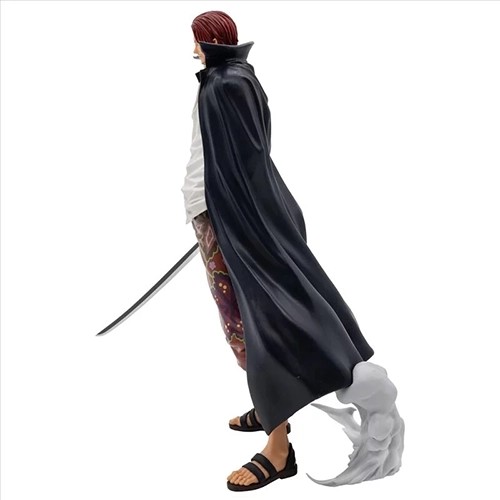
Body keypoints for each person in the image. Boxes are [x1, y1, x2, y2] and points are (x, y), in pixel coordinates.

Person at [181, 10, 403, 492]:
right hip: (221, 214)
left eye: (195, 40)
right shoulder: (235, 78)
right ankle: (269, 406)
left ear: (208, 40)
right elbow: (234, 157)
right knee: (246, 321)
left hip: (228, 220)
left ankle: (277, 447)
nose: (192, 49)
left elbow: (245, 163)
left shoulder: (223, 85)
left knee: (249, 326)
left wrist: (225, 218)